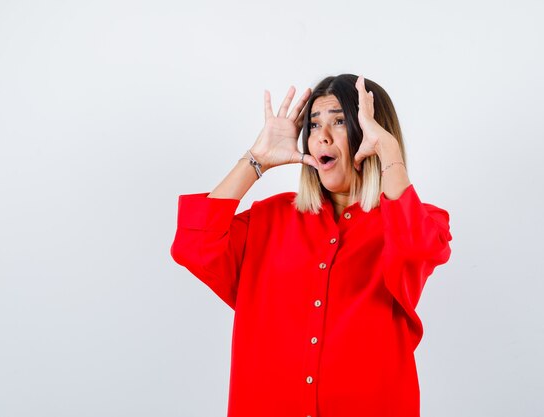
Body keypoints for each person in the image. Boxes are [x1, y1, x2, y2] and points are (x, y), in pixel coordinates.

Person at [170, 74, 453, 417]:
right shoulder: (269, 219)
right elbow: (193, 244)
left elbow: (415, 250)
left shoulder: (413, 221)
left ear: (371, 133)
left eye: (339, 121)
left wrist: (389, 151)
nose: (322, 135)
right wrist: (258, 158)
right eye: (314, 124)